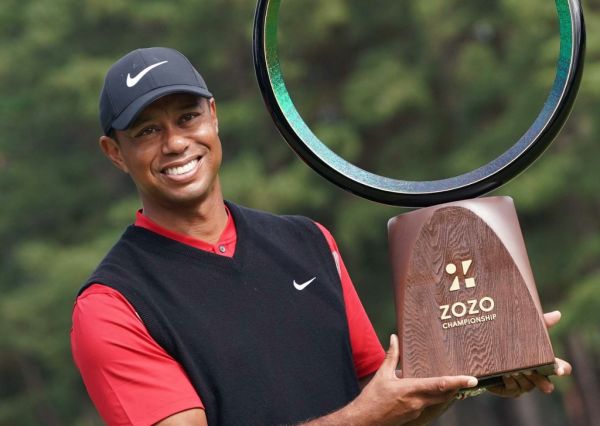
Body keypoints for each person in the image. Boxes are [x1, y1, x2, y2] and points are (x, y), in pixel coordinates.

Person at [71, 47, 571, 426]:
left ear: (214, 116)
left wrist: (485, 367)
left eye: (187, 118)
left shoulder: (309, 242)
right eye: (146, 132)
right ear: (114, 152)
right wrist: (364, 418)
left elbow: (392, 403)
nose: (176, 142)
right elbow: (370, 414)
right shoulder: (113, 306)